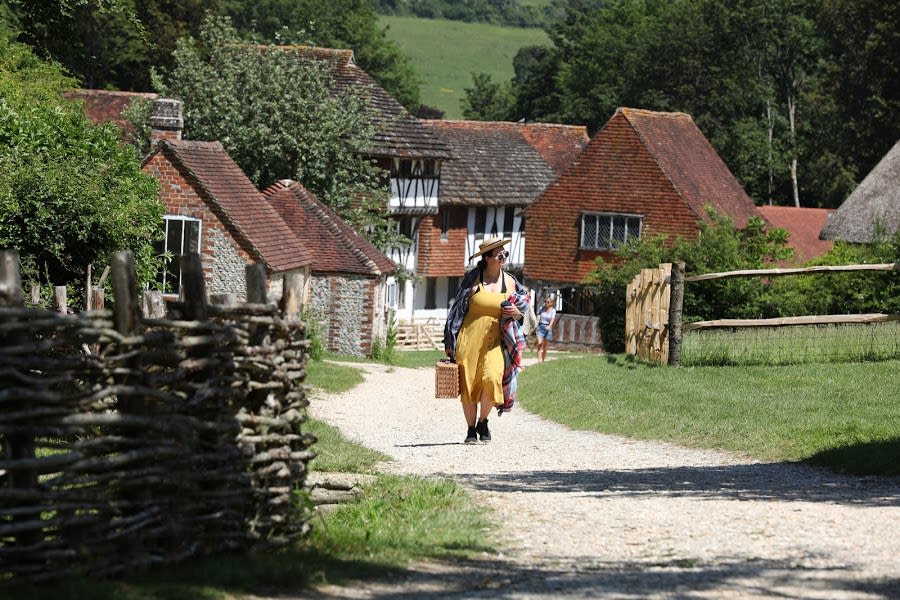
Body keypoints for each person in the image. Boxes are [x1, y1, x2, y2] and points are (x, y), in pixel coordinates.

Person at [443, 238, 530, 444]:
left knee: (492, 378)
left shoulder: (510, 282)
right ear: (488, 258)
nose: (503, 257)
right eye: (499, 254)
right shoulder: (472, 280)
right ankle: (471, 430)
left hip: (497, 340)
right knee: (469, 385)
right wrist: (449, 341)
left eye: (505, 254)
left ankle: (483, 420)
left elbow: (522, 311)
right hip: (469, 339)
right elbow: (456, 312)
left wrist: (517, 313)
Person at [535, 296, 557, 363]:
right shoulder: (541, 308)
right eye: (545, 301)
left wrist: (549, 326)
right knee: (539, 344)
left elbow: (552, 319)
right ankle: (539, 361)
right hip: (540, 326)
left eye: (548, 302)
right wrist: (536, 325)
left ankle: (543, 360)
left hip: (547, 328)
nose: (546, 303)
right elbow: (538, 317)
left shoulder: (553, 310)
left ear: (551, 303)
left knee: (545, 346)